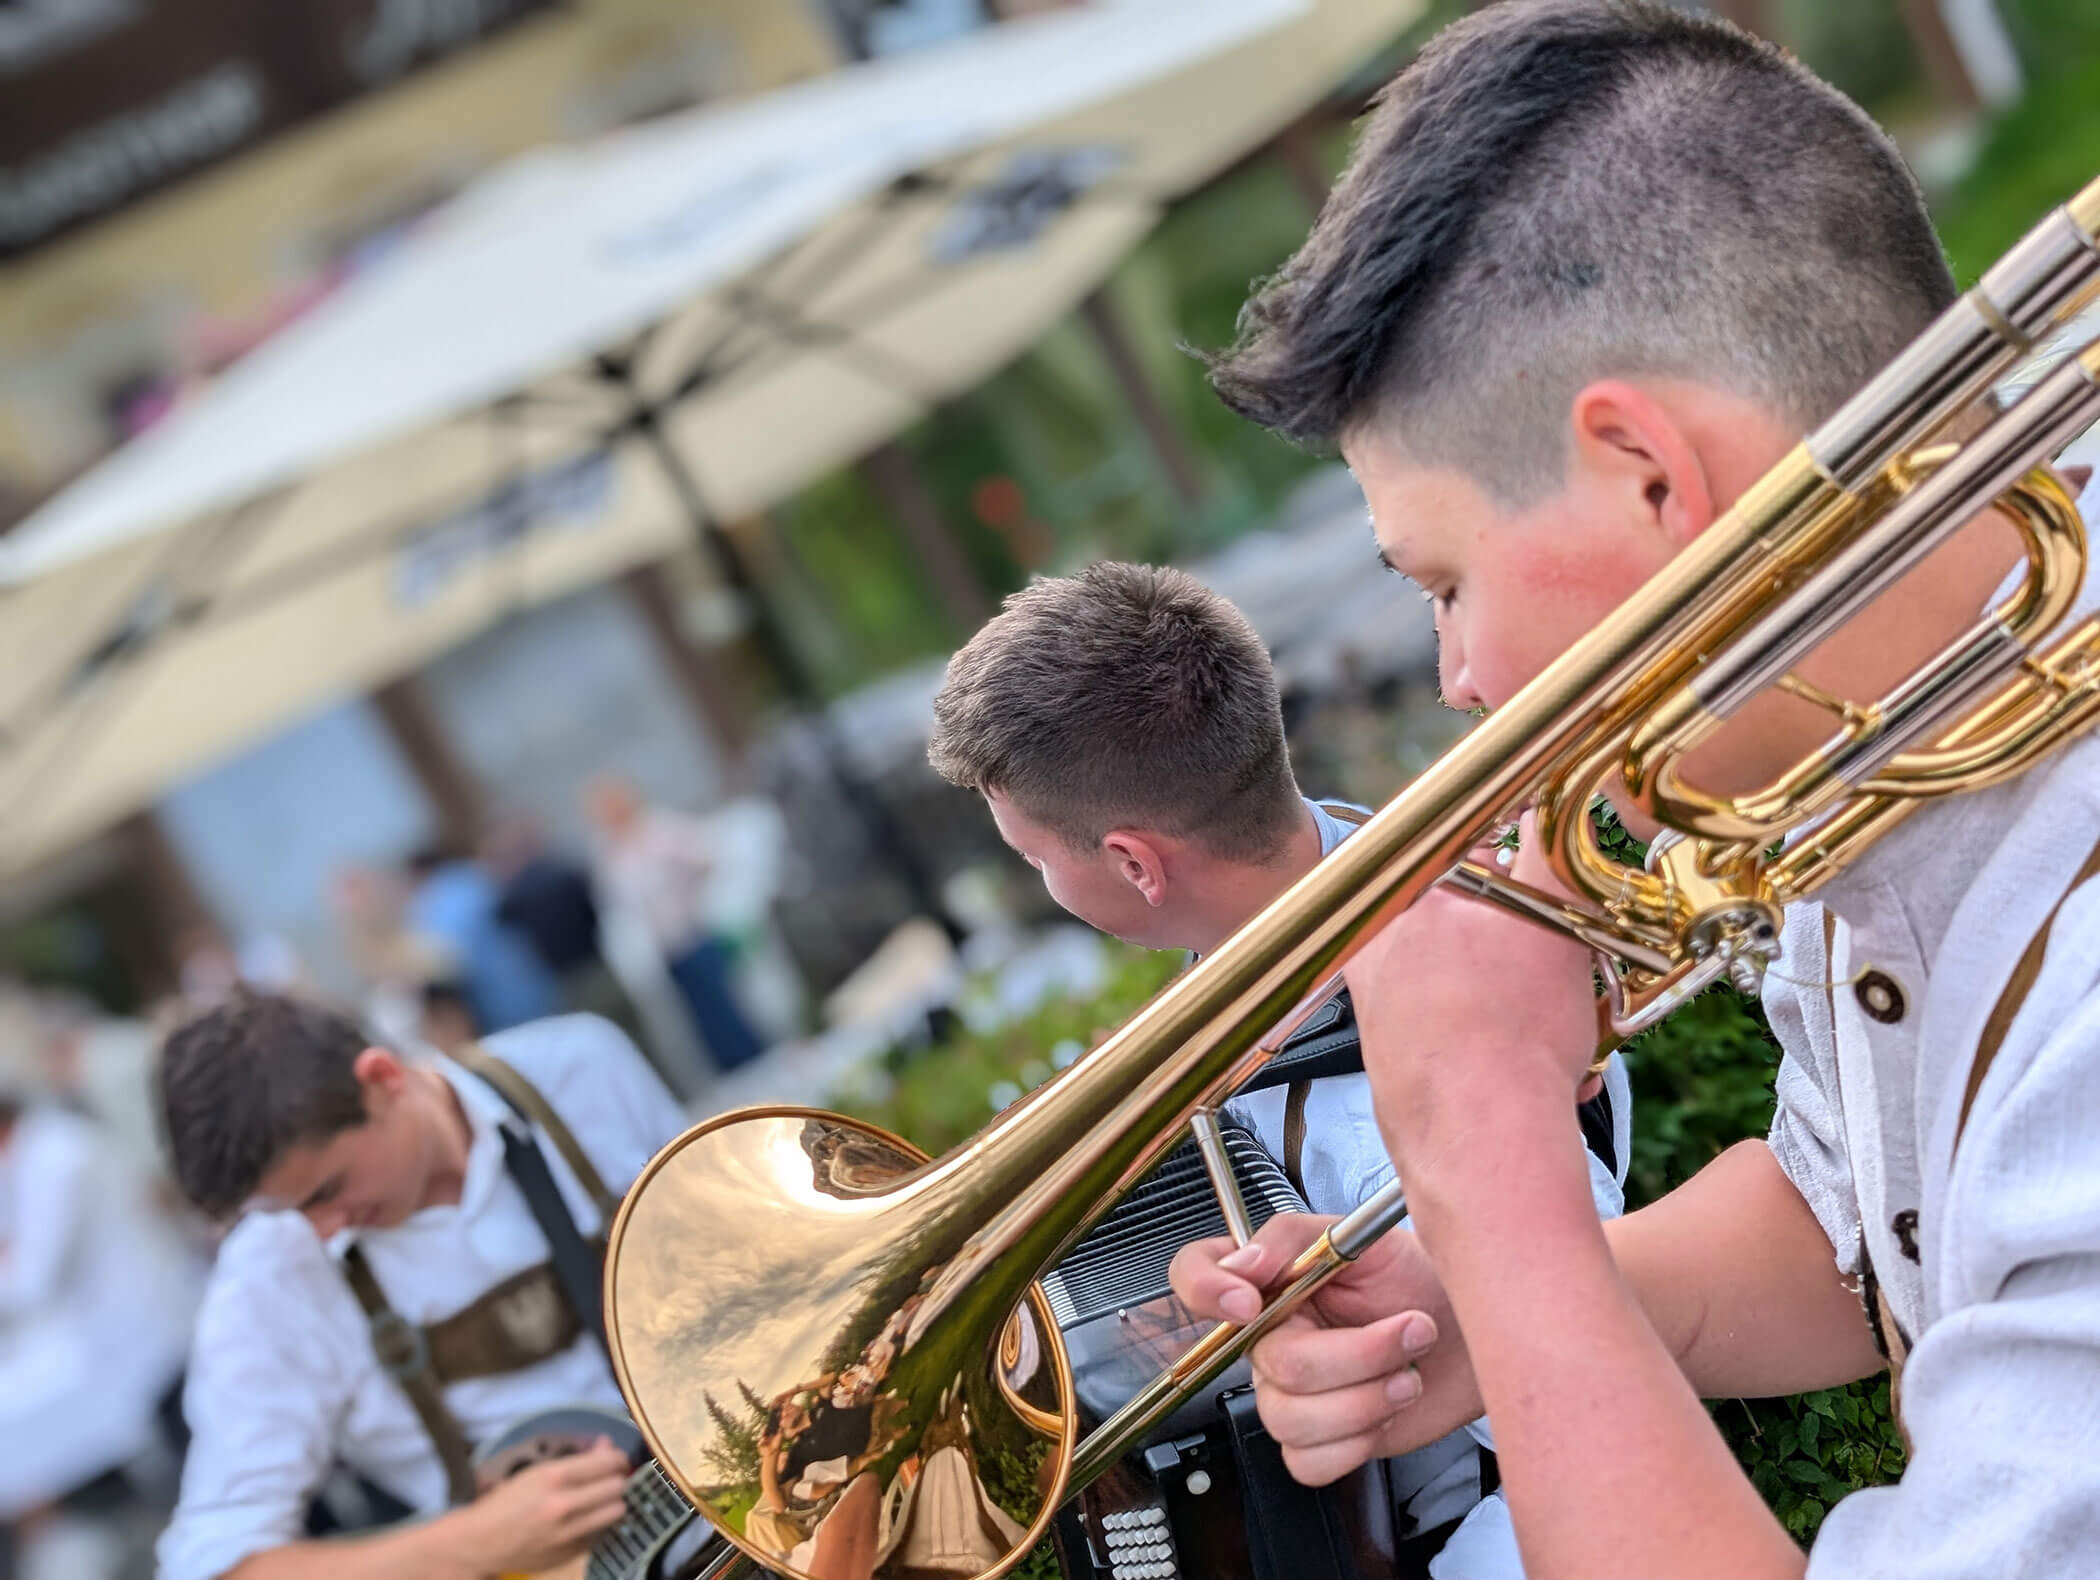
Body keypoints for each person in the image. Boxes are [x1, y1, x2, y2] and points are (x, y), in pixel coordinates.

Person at [1167, 4, 2100, 1577]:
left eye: (1443, 578)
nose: (1460, 676)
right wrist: (1506, 1315)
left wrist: (1485, 1163)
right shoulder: (1884, 706)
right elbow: (1874, 1228)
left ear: (1654, 476)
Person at [929, 561, 1631, 1573]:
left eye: (1036, 857)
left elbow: (1581, 1375)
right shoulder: (1348, 874)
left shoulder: (1408, 1047)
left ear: (1135, 863)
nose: (1040, 883)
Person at [153, 991, 696, 1580]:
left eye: (328, 1190)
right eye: (286, 1211)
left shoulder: (581, 1067)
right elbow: (209, 1563)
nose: (322, 1231)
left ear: (382, 1077)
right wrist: (471, 1545)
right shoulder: (267, 1282)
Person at [0, 1061, 202, 1580]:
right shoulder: (45, 1150)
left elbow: (31, 1280)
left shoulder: (54, 1158)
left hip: (143, 1332)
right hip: (125, 1328)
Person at [585, 778, 766, 1073]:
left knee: (727, 1011)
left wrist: (692, 896)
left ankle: (758, 1065)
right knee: (704, 1021)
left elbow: (708, 853)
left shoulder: (659, 830)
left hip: (694, 936)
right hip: (666, 948)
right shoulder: (615, 851)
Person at [403, 842, 563, 1034]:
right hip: (531, 983)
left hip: (504, 1003)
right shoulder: (471, 878)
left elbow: (446, 959)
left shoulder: (444, 894)